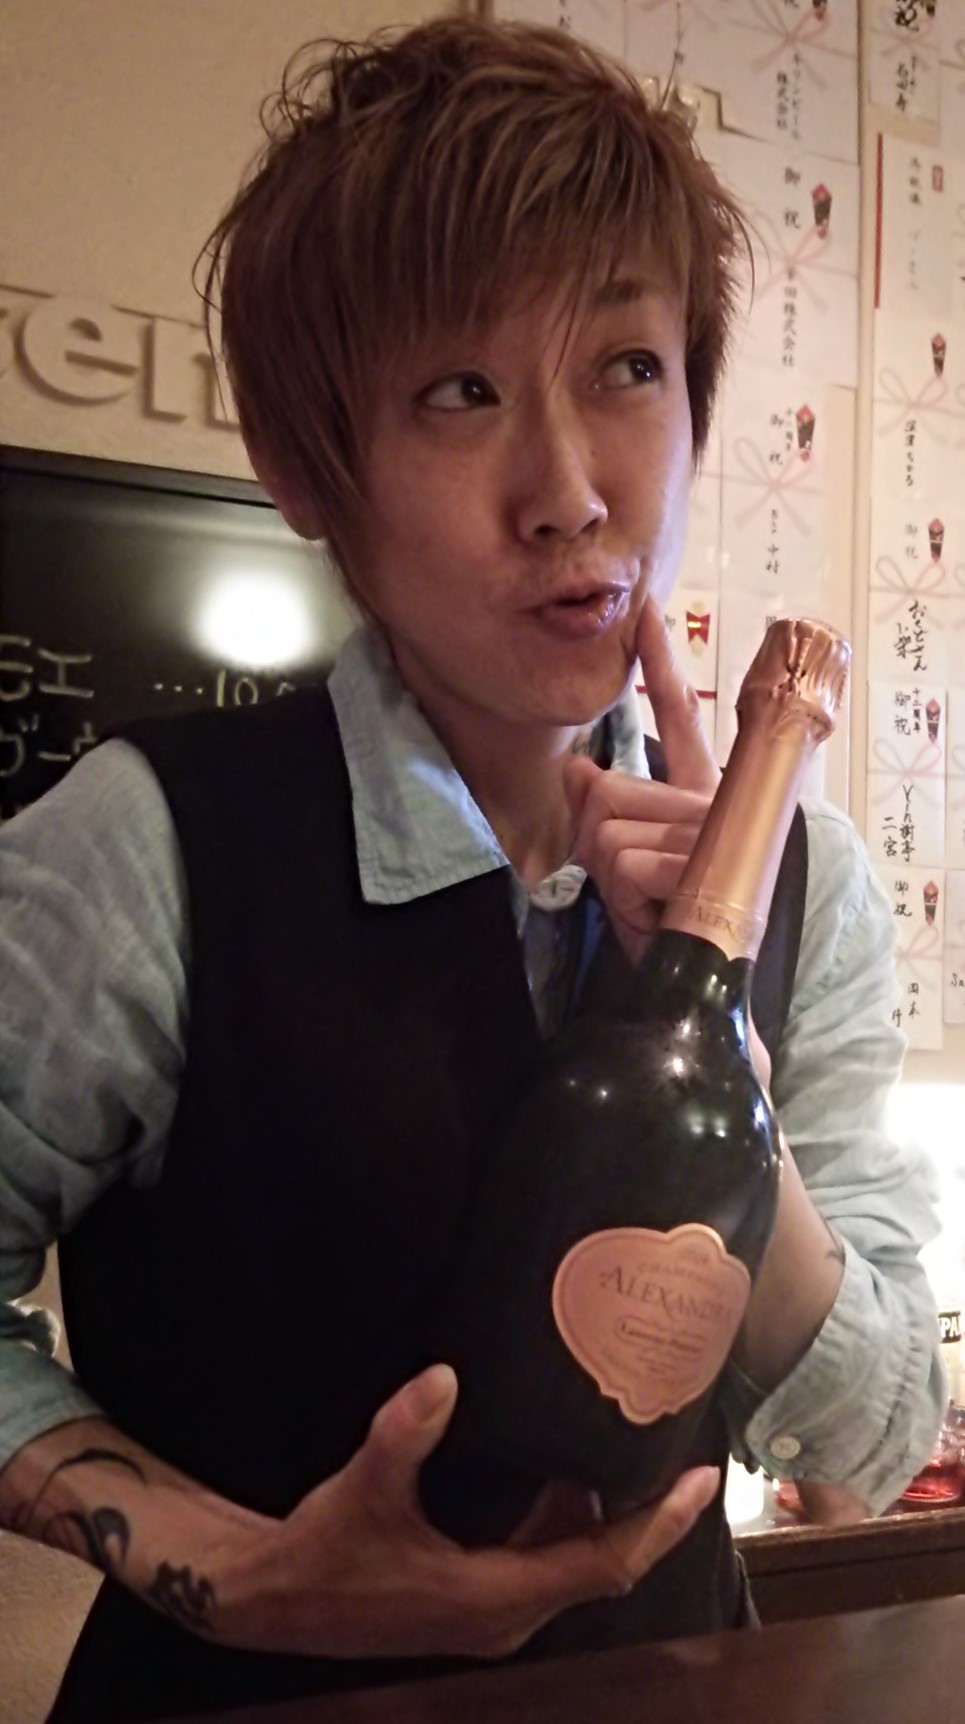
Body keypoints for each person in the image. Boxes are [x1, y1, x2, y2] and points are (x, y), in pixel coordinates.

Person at [0, 17, 946, 1722]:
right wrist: (235, 1566)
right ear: (303, 469)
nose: (570, 494)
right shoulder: (150, 845)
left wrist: (715, 1051)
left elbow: (870, 1441)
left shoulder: (802, 883)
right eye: (462, 393)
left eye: (627, 367)